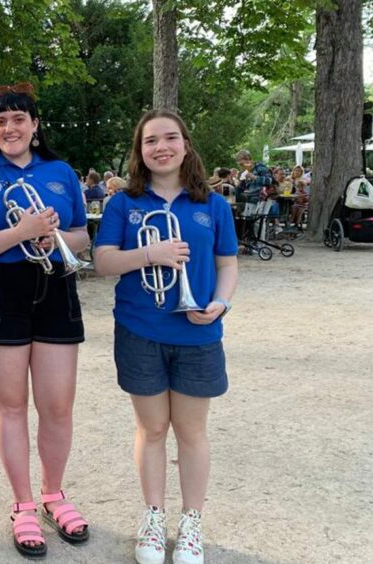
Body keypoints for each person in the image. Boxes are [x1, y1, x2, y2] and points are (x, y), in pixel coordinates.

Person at [93, 109, 238, 564]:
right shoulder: (123, 203)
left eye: (169, 138)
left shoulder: (212, 204)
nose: (161, 147)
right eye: (150, 141)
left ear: (185, 144)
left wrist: (221, 302)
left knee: (192, 432)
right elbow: (103, 262)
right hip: (140, 329)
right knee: (152, 428)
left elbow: (227, 264)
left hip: (198, 332)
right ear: (140, 151)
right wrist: (151, 252)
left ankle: (191, 521)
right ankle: (153, 517)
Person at [0, 83, 91, 559]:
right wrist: (22, 232)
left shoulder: (60, 172)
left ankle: (54, 494)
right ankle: (23, 504)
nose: (9, 128)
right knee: (11, 405)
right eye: (0, 122)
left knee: (57, 405)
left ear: (35, 126)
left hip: (55, 284)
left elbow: (81, 236)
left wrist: (53, 239)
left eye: (18, 120)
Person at [235, 150, 272, 216]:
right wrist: (239, 185)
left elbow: (269, 181)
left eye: (242, 164)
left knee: (255, 223)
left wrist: (255, 177)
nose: (241, 166)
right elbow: (242, 188)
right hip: (249, 199)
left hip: (260, 199)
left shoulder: (259, 167)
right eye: (240, 164)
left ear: (248, 160)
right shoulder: (244, 171)